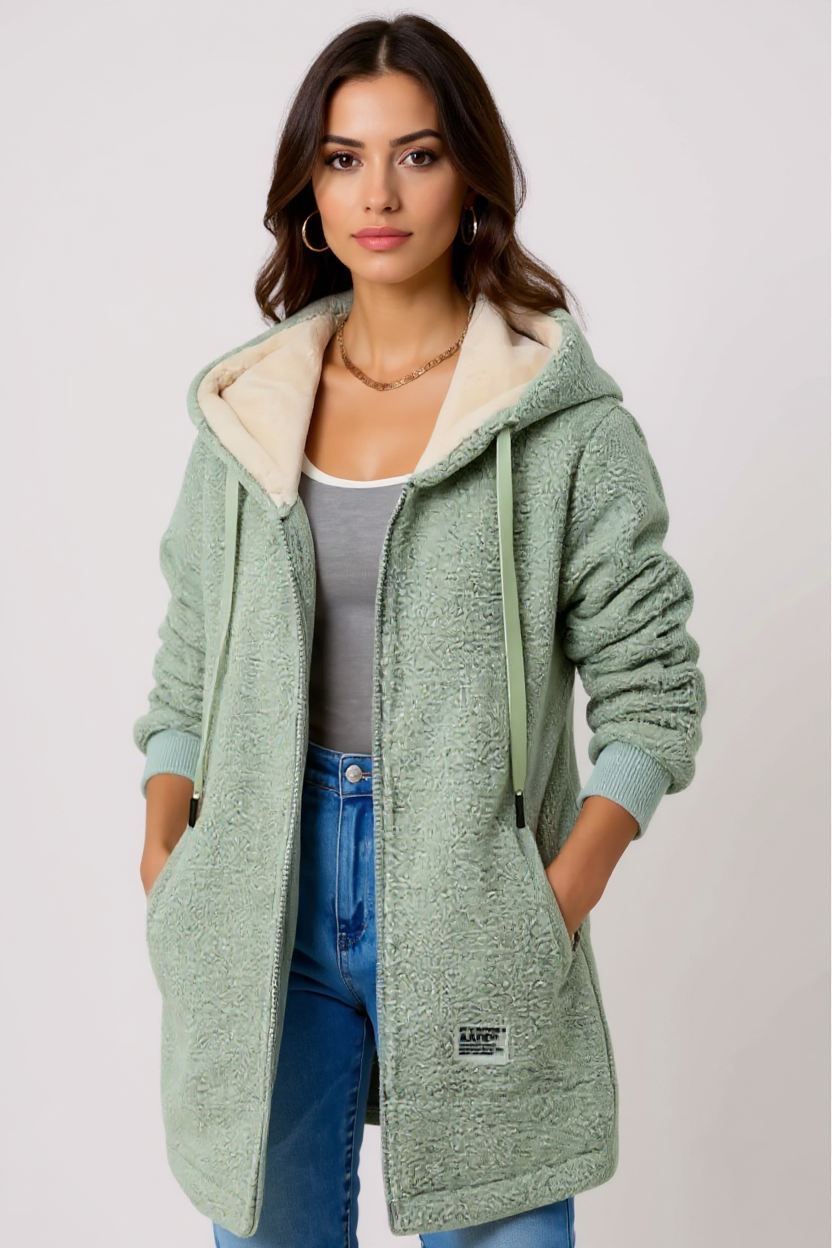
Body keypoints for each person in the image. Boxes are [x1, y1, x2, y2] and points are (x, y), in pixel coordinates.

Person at [134, 14, 707, 1248]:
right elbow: (188, 655)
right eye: (343, 159)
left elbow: (653, 693)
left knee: (502, 1224)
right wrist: (165, 845)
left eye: (418, 155)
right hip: (264, 895)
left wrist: (552, 898)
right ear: (308, 191)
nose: (378, 194)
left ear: (472, 180)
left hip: (470, 889)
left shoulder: (560, 428)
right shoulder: (246, 415)